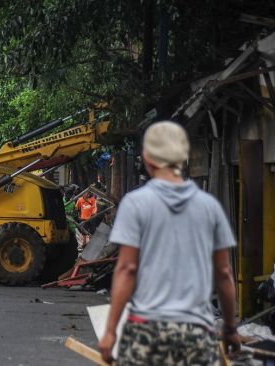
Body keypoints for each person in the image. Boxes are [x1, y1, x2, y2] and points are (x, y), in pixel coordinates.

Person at [98, 121, 240, 365]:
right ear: (183, 157)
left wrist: (110, 331)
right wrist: (229, 328)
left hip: (147, 330)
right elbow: (224, 274)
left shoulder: (136, 204)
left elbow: (127, 269)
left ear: (147, 158)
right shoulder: (209, 207)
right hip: (197, 333)